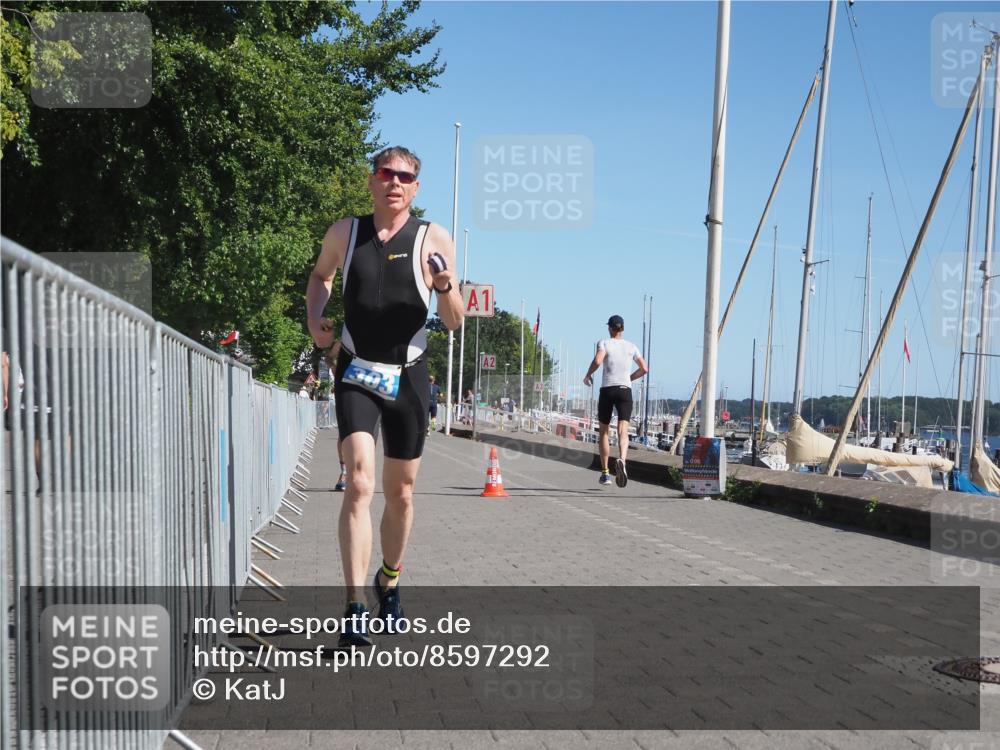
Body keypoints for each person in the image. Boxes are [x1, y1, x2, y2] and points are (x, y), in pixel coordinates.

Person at [306, 145, 463, 647]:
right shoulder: (345, 233)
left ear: (416, 188)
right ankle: (354, 605)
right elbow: (320, 278)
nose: (394, 182)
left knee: (401, 494)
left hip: (409, 376)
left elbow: (455, 318)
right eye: (385, 173)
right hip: (356, 370)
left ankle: (388, 581)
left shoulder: (433, 237)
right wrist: (317, 322)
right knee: (358, 484)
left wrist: (444, 287)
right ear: (372, 181)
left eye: (405, 177)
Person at [583, 315, 648, 488]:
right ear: (623, 328)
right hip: (625, 390)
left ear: (610, 328)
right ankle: (623, 460)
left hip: (608, 390)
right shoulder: (632, 346)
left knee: (604, 431)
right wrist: (629, 378)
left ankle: (605, 474)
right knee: (623, 430)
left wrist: (588, 374)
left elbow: (598, 360)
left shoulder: (604, 343)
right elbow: (644, 368)